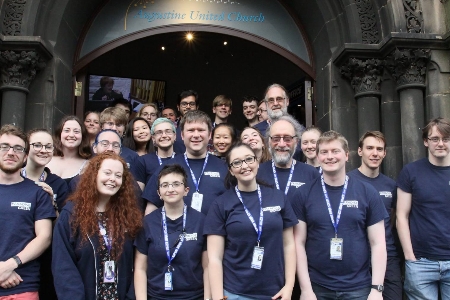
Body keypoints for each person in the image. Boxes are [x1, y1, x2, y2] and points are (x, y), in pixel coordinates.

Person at [292, 130, 387, 300]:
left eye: (335, 151)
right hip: (318, 287)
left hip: (359, 287)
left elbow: (378, 243)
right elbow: (298, 243)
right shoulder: (303, 194)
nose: (330, 157)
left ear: (347, 155)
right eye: (324, 152)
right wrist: (306, 289)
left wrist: (377, 289)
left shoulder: (367, 192)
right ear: (318, 156)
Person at [204, 142, 298, 299]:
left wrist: (289, 286)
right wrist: (218, 296)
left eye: (249, 159)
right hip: (235, 292)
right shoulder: (221, 204)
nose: (245, 166)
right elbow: (214, 258)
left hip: (275, 292)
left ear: (257, 162)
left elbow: (289, 245)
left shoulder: (278, 197)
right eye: (237, 162)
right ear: (231, 170)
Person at [52, 152, 142, 300]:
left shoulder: (129, 216)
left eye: (118, 175)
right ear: (94, 174)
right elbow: (64, 267)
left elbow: (137, 264)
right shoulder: (71, 215)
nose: (112, 179)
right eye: (107, 173)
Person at [134, 164, 210, 300]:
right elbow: (140, 268)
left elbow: (207, 267)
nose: (170, 189)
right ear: (159, 193)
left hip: (194, 296)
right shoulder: (148, 223)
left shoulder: (201, 221)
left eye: (176, 184)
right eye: (165, 185)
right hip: (157, 296)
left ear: (186, 190)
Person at [396, 117, 450, 299]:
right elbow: (401, 216)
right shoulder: (411, 172)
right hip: (421, 262)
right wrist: (410, 257)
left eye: (446, 139)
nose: (440, 143)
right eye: (435, 139)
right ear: (426, 142)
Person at [0, 124, 55, 299]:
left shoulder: (38, 192)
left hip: (22, 285)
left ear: (25, 156)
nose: (10, 152)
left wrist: (10, 265)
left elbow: (44, 237)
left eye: (17, 148)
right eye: (4, 147)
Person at [347, 131, 402, 300]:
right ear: (360, 151)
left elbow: (393, 217)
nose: (375, 153)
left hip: (388, 256)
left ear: (385, 153)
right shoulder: (347, 182)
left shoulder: (391, 185)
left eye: (379, 149)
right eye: (370, 148)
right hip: (357, 256)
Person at [142, 110, 228, 216]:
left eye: (201, 130)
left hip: (215, 231)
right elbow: (152, 209)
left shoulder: (224, 168)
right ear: (182, 135)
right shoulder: (167, 167)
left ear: (210, 134)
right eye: (191, 130)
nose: (196, 135)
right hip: (175, 231)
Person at [22, 128, 68, 300]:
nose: (43, 150)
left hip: (47, 260)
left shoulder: (59, 184)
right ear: (27, 147)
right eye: (37, 145)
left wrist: (52, 205)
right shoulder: (12, 177)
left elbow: (63, 227)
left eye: (48, 146)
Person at [257, 115, 319, 199]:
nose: (281, 144)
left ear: (296, 142)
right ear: (269, 141)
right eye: (276, 138)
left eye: (287, 138)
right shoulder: (258, 172)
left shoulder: (311, 173)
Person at [134, 118, 177, 190]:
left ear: (175, 136)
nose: (164, 135)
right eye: (159, 132)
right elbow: (138, 193)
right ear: (153, 138)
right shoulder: (142, 161)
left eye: (168, 131)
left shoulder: (184, 160)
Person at [46, 115, 91, 184]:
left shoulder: (88, 166)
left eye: (76, 131)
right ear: (59, 134)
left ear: (82, 136)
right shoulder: (46, 160)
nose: (71, 135)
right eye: (67, 130)